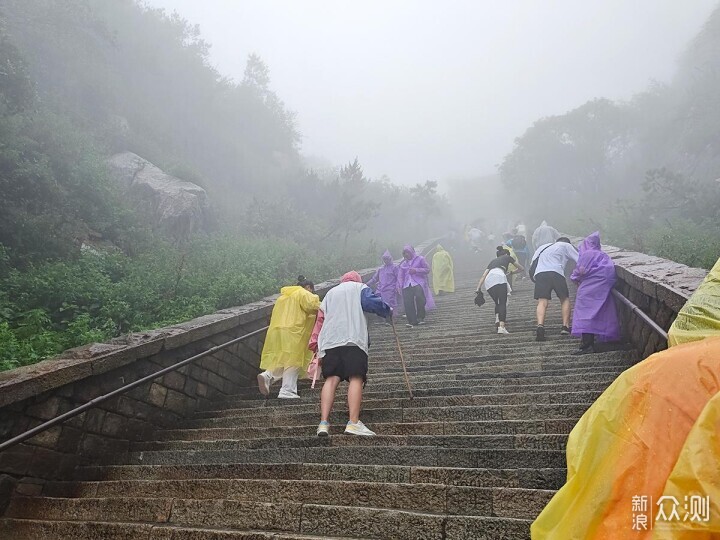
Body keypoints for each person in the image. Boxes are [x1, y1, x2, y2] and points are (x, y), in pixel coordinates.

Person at [310, 271, 391, 437]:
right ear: (357, 280)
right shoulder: (360, 288)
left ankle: (323, 423)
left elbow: (320, 319)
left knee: (332, 379)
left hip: (330, 342)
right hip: (353, 338)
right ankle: (353, 423)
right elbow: (371, 303)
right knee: (356, 377)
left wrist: (315, 343)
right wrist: (387, 311)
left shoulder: (329, 294)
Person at [257, 276, 320, 399]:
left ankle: (268, 375)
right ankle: (287, 390)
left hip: (278, 330)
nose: (311, 293)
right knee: (294, 359)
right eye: (311, 291)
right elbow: (313, 305)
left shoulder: (283, 297)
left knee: (283, 357)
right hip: (294, 330)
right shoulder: (302, 293)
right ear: (308, 287)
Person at [570, 232, 621, 354]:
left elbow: (580, 270)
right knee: (599, 311)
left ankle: (587, 344)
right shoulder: (603, 255)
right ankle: (596, 340)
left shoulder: (588, 254)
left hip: (589, 287)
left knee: (584, 313)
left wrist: (573, 277)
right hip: (603, 286)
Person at [531, 237, 579, 341]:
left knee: (542, 301)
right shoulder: (566, 245)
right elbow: (580, 260)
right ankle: (565, 326)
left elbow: (532, 263)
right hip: (556, 272)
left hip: (540, 273)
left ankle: (540, 326)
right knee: (564, 298)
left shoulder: (542, 247)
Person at [476, 246, 524, 334]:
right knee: (502, 302)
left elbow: (483, 276)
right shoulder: (507, 257)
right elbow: (521, 268)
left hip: (489, 282)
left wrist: (478, 288)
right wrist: (512, 272)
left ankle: (497, 319)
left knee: (497, 303)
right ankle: (501, 327)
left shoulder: (492, 262)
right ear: (506, 254)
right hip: (500, 278)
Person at [397, 245, 435, 328]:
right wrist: (399, 285)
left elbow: (427, 269)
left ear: (412, 252)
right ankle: (412, 321)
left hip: (418, 282)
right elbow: (400, 276)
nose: (407, 255)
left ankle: (420, 317)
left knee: (420, 299)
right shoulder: (403, 264)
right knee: (408, 302)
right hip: (407, 284)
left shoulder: (420, 259)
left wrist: (416, 270)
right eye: (405, 253)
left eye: (408, 252)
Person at [367, 250, 399, 319]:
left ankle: (392, 317)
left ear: (390, 259)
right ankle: (383, 317)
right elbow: (375, 278)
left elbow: (398, 278)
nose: (386, 260)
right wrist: (367, 284)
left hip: (390, 289)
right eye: (384, 259)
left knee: (390, 304)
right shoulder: (381, 269)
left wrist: (397, 287)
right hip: (381, 289)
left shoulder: (394, 268)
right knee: (379, 302)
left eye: (387, 259)